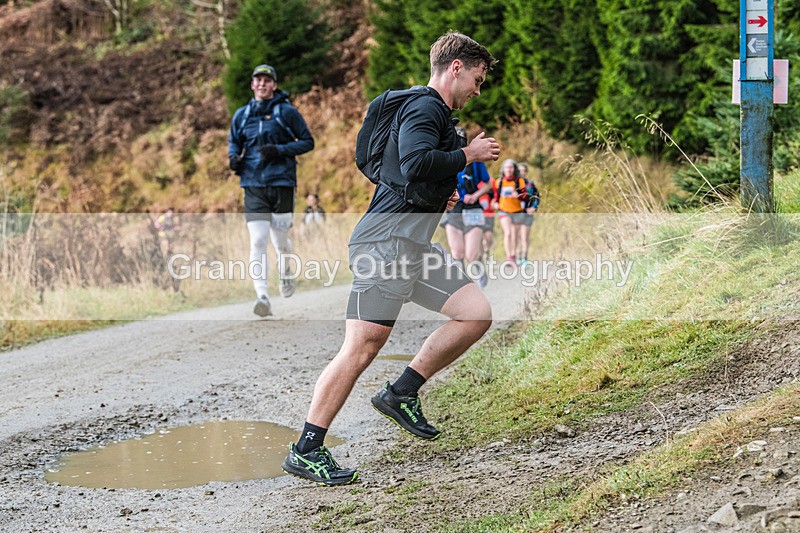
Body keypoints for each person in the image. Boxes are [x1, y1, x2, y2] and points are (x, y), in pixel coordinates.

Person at [282, 31, 499, 486]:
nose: (478, 90)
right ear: (455, 68)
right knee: (361, 347)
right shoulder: (425, 107)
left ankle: (401, 392)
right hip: (384, 244)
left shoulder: (431, 112)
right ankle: (307, 449)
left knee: (475, 314)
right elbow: (418, 160)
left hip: (411, 245)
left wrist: (441, 195)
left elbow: (411, 172)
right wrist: (468, 154)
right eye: (477, 79)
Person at [228, 64, 315, 317]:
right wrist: (234, 158)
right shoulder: (242, 115)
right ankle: (262, 296)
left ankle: (286, 272)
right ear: (252, 85)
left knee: (280, 242)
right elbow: (234, 141)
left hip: (281, 184)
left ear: (274, 85)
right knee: (257, 240)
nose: (263, 84)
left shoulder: (286, 113)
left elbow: (308, 142)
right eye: (258, 80)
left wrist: (280, 150)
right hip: (253, 184)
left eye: (268, 80)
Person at [440, 127, 491, 288]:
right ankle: (462, 285)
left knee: (471, 254)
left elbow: (488, 183)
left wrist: (475, 195)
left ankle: (480, 267)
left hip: (472, 208)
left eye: (461, 138)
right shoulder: (443, 160)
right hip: (453, 210)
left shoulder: (475, 162)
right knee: (457, 253)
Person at [491, 159, 528, 265]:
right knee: (508, 233)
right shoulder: (499, 182)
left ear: (514, 169)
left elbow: (525, 196)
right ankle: (510, 257)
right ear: (503, 169)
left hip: (517, 211)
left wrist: (518, 195)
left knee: (514, 235)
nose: (509, 169)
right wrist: (495, 203)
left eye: (511, 167)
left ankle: (514, 254)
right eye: (507, 167)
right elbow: (496, 196)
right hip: (504, 211)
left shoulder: (519, 181)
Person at [516, 163, 540, 265]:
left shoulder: (530, 184)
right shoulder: (513, 184)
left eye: (524, 171)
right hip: (515, 214)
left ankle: (524, 258)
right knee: (517, 236)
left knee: (524, 236)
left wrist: (533, 207)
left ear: (526, 172)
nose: (522, 173)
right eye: (520, 171)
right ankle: (517, 257)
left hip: (527, 214)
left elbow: (537, 197)